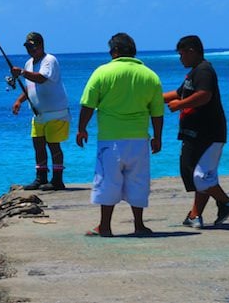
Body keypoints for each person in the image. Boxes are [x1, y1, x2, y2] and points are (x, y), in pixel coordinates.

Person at [76, 33, 164, 237]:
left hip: (110, 139)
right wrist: (157, 137)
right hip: (139, 140)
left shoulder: (103, 72)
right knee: (138, 181)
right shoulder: (150, 75)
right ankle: (139, 225)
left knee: (108, 181)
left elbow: (88, 104)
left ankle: (105, 226)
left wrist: (82, 128)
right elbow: (157, 112)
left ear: (115, 51)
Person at [163, 35, 229, 228]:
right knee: (194, 172)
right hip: (194, 133)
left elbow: (204, 96)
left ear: (191, 52)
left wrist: (180, 105)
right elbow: (179, 93)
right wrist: (151, 98)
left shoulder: (204, 70)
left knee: (201, 175)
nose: (180, 59)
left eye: (182, 54)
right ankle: (195, 216)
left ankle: (226, 201)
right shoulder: (194, 72)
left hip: (209, 133)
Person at [11, 32, 70, 191]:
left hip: (56, 113)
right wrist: (19, 100)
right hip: (38, 114)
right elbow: (31, 87)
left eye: (32, 46)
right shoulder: (29, 63)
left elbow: (41, 78)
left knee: (53, 146)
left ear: (41, 45)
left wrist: (22, 72)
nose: (30, 50)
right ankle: (41, 177)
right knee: (38, 145)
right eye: (27, 47)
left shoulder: (49, 60)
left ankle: (57, 179)